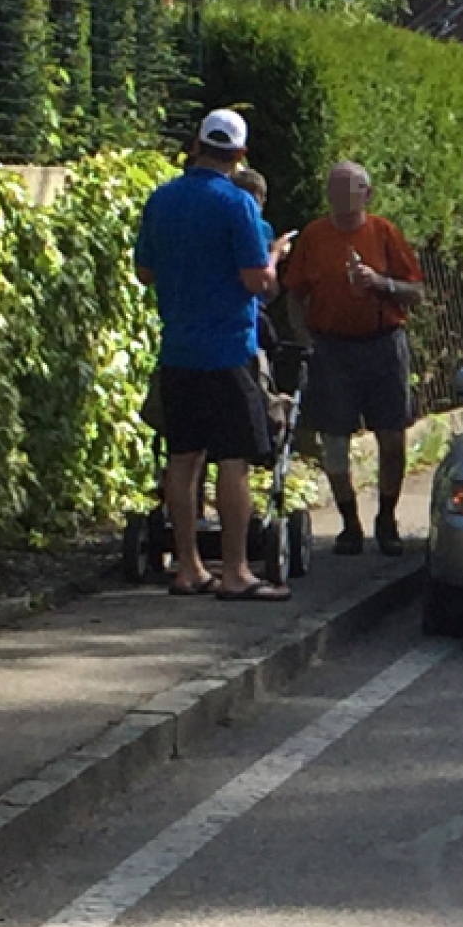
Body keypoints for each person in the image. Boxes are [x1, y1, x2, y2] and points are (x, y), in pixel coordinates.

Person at [134, 109, 292, 601]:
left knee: (183, 460)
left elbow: (145, 273)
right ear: (240, 154)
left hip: (178, 348)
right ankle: (237, 571)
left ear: (196, 144)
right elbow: (256, 282)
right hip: (227, 351)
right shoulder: (237, 205)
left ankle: (188, 567)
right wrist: (275, 259)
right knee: (233, 460)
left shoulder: (162, 199)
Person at [284, 161, 426, 557]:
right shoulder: (314, 236)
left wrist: (379, 283)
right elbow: (294, 294)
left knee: (392, 436)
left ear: (367, 195)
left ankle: (387, 517)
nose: (340, 199)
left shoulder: (384, 234)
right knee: (333, 438)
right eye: (333, 191)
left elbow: (415, 291)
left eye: (348, 191)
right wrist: (305, 338)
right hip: (331, 347)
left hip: (383, 344)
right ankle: (349, 523)